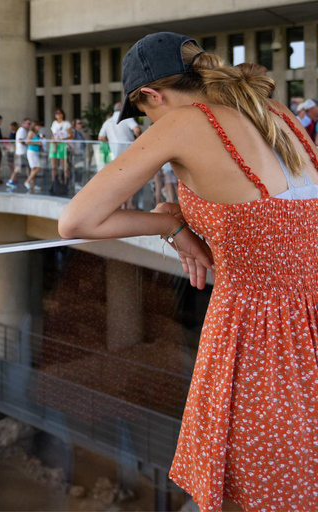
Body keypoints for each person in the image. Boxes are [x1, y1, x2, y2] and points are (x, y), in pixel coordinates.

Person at [58, 32, 318, 512]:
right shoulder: (278, 115)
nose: (149, 122)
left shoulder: (183, 122)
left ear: (152, 96)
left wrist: (171, 221)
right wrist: (179, 216)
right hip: (309, 314)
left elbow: (77, 220)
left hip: (259, 333)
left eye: (143, 112)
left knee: (262, 483)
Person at [50, 109, 73, 189]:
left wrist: (62, 140)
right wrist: (53, 141)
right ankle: (54, 183)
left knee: (64, 166)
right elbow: (53, 134)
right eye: (56, 113)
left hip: (62, 145)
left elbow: (71, 135)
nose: (58, 115)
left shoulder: (66, 123)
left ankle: (66, 183)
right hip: (54, 144)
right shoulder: (54, 123)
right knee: (54, 166)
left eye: (59, 113)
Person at [6, 118, 31, 189]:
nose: (29, 125)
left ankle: (29, 180)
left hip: (22, 152)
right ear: (24, 123)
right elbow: (20, 140)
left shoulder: (23, 130)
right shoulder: (22, 130)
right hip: (21, 152)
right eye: (28, 123)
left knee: (28, 167)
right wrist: (28, 143)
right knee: (18, 168)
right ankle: (11, 180)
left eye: (30, 124)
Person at [23, 120, 43, 191]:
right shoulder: (31, 132)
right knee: (37, 168)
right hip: (31, 152)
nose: (39, 128)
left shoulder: (36, 133)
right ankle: (27, 181)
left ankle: (33, 184)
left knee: (33, 169)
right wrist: (37, 143)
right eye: (38, 126)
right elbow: (27, 142)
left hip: (35, 151)